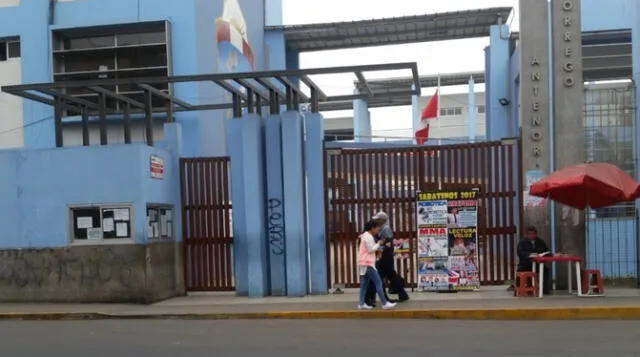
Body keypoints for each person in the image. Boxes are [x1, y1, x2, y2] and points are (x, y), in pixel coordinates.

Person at [370, 211, 409, 303]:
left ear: (383, 220)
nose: (377, 221)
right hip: (384, 256)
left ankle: (376, 298)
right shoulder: (381, 228)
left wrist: (379, 247)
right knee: (391, 276)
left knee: (380, 277)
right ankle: (402, 295)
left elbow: (387, 243)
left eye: (378, 219)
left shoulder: (385, 228)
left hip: (385, 257)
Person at [357, 219, 397, 310]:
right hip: (368, 263)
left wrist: (378, 245)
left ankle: (361, 303)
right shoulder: (368, 236)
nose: (378, 230)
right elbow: (371, 249)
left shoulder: (365, 235)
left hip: (364, 263)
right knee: (378, 283)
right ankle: (384, 303)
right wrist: (378, 243)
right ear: (372, 228)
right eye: (377, 228)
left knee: (364, 284)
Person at [516, 226, 551, 294]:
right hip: (526, 264)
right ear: (527, 235)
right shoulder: (522, 242)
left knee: (545, 270)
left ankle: (543, 289)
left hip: (537, 263)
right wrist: (530, 254)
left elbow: (546, 250)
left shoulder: (540, 242)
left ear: (536, 234)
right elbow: (520, 252)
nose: (531, 236)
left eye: (533, 234)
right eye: (530, 234)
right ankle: (521, 289)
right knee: (521, 271)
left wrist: (542, 254)